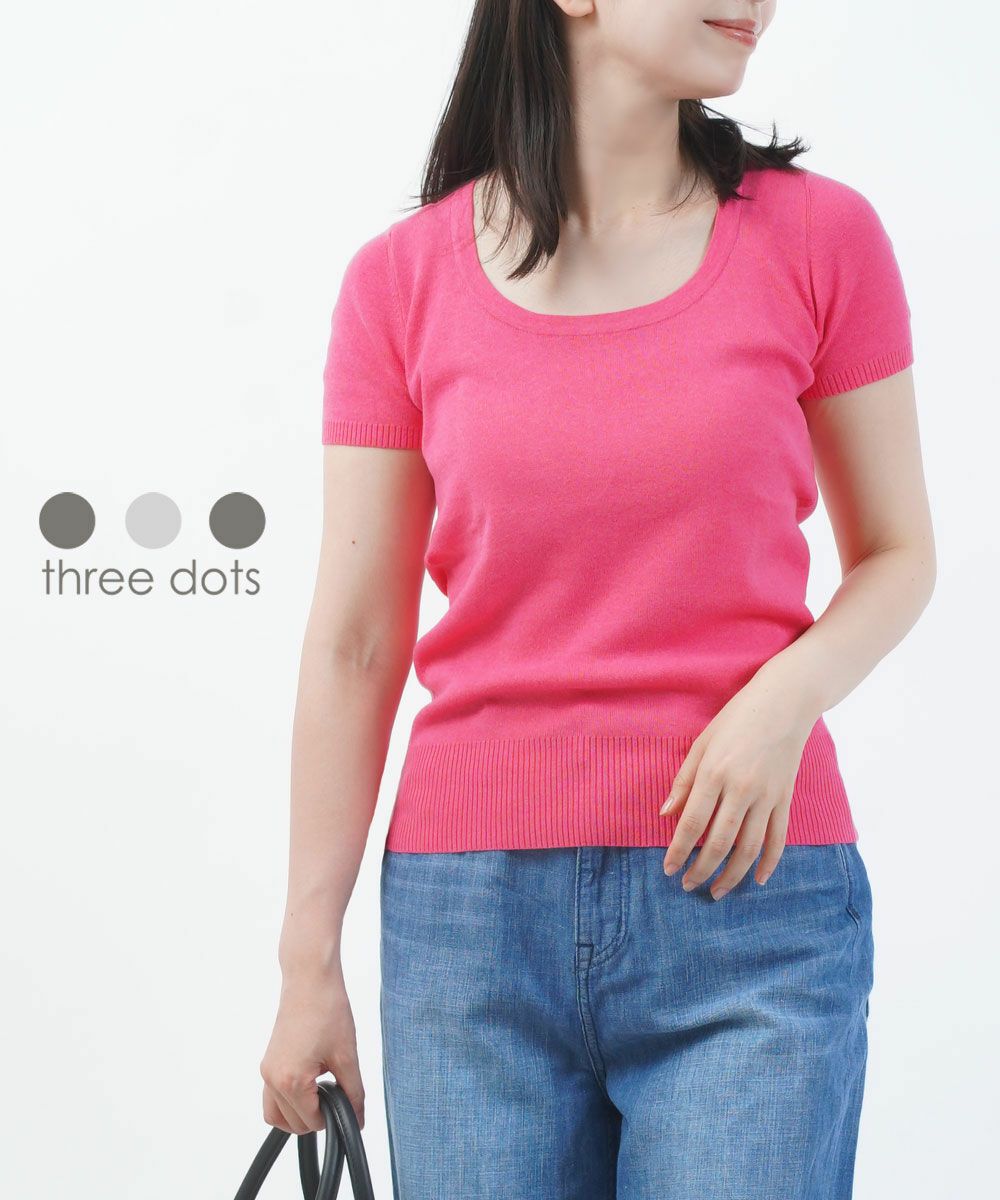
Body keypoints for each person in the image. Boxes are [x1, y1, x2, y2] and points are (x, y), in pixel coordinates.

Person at [260, 2, 936, 1195]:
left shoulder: (819, 239)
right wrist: (306, 961)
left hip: (751, 900)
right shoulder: (399, 284)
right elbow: (357, 640)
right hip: (470, 936)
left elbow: (896, 552)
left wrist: (779, 704)